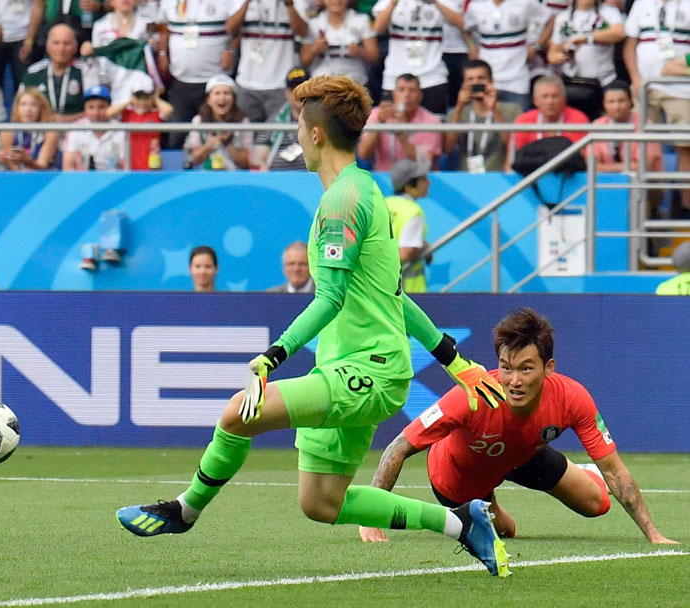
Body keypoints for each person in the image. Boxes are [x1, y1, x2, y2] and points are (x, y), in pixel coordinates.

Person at [116, 75, 511, 579]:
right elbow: (393, 293)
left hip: (367, 369)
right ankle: (463, 524)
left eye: (300, 127)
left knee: (239, 413)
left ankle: (183, 510)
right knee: (321, 503)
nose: (297, 137)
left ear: (317, 135)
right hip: (357, 365)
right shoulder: (364, 188)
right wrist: (454, 359)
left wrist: (271, 356)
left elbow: (329, 298)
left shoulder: (342, 202)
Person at [358, 308, 677, 545]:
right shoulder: (472, 396)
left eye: (526, 369)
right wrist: (371, 518)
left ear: (548, 368)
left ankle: (582, 474)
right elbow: (398, 447)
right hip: (458, 476)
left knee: (598, 504)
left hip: (521, 454)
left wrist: (654, 535)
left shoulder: (573, 398)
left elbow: (615, 470)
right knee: (506, 532)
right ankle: (489, 506)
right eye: (506, 368)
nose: (514, 381)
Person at [625, 0, 690, 220]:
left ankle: (685, 210)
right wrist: (635, 78)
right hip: (646, 86)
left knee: (686, 148)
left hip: (681, 88)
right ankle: (648, 206)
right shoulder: (642, 3)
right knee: (642, 147)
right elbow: (629, 45)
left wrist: (684, 65)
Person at [155, 0, 236, 148]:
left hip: (215, 83)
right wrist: (162, 52)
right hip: (181, 81)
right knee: (176, 137)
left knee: (215, 137)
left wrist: (231, 50)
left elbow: (239, 28)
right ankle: (174, 171)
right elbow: (163, 27)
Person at [372, 0, 463, 116]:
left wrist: (435, 2)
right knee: (393, 125)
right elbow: (377, 29)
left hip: (432, 76)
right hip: (395, 77)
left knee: (433, 127)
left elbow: (460, 22)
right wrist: (393, 3)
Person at [226, 0, 309, 123]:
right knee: (247, 135)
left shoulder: (297, 2)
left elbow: (303, 32)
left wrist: (290, 5)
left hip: (280, 84)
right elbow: (230, 28)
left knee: (278, 134)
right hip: (247, 82)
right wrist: (246, 3)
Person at [464, 0, 553, 112]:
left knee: (519, 125)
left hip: (517, 81)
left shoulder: (526, 3)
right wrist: (471, 46)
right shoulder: (476, 5)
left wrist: (537, 46)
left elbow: (551, 18)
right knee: (488, 124)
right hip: (488, 82)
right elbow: (465, 27)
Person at [546, 0, 624, 120]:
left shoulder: (609, 12)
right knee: (574, 124)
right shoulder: (563, 17)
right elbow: (552, 55)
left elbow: (619, 33)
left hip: (603, 82)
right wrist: (562, 55)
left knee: (601, 124)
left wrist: (588, 38)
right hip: (573, 83)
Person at [445, 59, 521, 173]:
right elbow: (448, 147)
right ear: (464, 84)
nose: (476, 83)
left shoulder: (512, 110)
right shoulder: (457, 113)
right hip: (465, 177)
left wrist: (494, 110)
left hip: (499, 176)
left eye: (481, 78)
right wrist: (459, 107)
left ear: (491, 81)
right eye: (470, 79)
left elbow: (513, 146)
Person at [357, 73, 442, 171]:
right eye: (401, 90)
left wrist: (401, 134)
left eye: (412, 90)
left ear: (420, 95)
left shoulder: (431, 121)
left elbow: (426, 161)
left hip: (417, 181)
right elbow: (363, 154)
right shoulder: (378, 114)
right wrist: (380, 123)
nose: (407, 95)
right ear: (394, 94)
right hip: (384, 179)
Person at [508, 75, 589, 164]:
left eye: (554, 96)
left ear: (564, 99)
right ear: (535, 100)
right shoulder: (523, 121)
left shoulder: (578, 120)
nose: (550, 102)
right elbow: (513, 159)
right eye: (544, 96)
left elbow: (581, 158)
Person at [299, 0, 379, 86]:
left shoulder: (361, 20)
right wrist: (315, 49)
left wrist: (360, 52)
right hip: (322, 82)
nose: (336, 1)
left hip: (354, 81)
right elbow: (304, 61)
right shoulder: (314, 23)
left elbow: (374, 58)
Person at [590, 80, 661, 174]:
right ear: (604, 105)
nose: (617, 107)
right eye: (611, 102)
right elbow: (593, 165)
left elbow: (646, 166)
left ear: (631, 102)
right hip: (605, 183)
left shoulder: (645, 124)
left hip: (641, 184)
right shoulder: (598, 125)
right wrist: (628, 166)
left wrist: (608, 168)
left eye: (621, 101)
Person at [183, 74, 252, 171]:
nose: (222, 98)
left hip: (235, 176)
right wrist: (209, 145)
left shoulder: (243, 122)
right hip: (207, 176)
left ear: (233, 99)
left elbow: (248, 162)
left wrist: (229, 144)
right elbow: (192, 160)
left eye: (226, 93)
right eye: (217, 93)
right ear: (208, 99)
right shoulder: (198, 121)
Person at [22, 23, 90, 120]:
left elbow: (97, 110)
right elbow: (19, 109)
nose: (61, 49)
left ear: (75, 47)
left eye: (66, 43)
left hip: (78, 130)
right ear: (48, 46)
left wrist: (68, 119)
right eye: (56, 43)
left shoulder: (85, 71)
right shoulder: (34, 73)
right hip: (41, 129)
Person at [252, 67, 308, 172]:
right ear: (287, 93)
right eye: (294, 90)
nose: (299, 95)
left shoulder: (321, 120)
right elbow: (257, 160)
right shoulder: (275, 121)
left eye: (303, 89)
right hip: (276, 181)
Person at [108, 80, 173, 170]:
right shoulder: (128, 114)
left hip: (152, 162)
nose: (142, 103)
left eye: (146, 98)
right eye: (139, 98)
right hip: (131, 161)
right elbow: (109, 113)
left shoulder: (156, 114)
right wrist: (129, 101)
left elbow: (169, 110)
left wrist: (156, 99)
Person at [386, 159, 429, 293]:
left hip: (383, 286)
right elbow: (407, 252)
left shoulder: (385, 203)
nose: (428, 183)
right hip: (407, 289)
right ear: (408, 186)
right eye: (423, 179)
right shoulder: (412, 212)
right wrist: (417, 247)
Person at [62, 83, 127, 170]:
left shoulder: (121, 130)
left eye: (101, 107)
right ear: (84, 108)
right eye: (91, 107)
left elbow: (126, 164)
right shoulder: (75, 129)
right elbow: (69, 164)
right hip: (83, 179)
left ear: (110, 108)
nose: (96, 113)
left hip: (113, 178)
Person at [0, 86, 61, 170]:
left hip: (46, 179)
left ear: (41, 109)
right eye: (23, 104)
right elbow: (14, 169)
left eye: (34, 105)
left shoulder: (51, 132)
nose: (28, 109)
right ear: (17, 108)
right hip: (17, 179)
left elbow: (42, 166)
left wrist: (27, 160)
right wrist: (5, 159)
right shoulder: (7, 132)